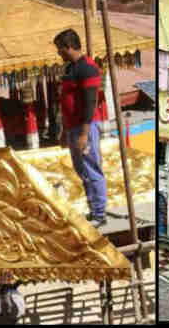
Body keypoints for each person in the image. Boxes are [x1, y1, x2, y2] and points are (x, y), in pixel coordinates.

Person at [54, 29, 107, 227]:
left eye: (60, 49)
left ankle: (100, 213)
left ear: (69, 47)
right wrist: (64, 131)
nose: (59, 53)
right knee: (81, 168)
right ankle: (93, 208)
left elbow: (89, 103)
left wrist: (84, 134)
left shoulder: (88, 69)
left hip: (85, 126)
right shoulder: (71, 69)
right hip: (73, 127)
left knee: (91, 167)